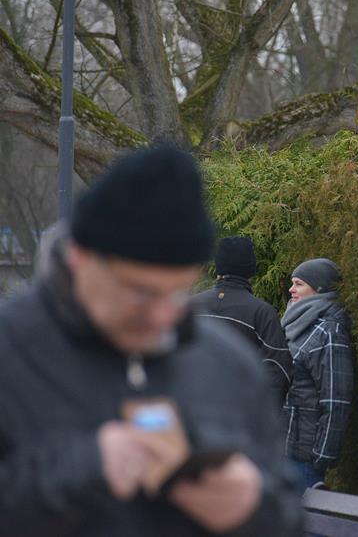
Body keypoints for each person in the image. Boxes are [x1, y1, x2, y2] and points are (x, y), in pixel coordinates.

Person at [0, 145, 302, 535]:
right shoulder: (12, 349)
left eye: (177, 292)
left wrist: (253, 509)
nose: (162, 316)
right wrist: (82, 469)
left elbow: (288, 515)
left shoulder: (228, 363)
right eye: (141, 292)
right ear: (80, 256)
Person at [192, 236, 294, 404]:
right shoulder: (261, 312)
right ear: (250, 269)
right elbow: (278, 369)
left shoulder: (190, 306)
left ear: (218, 267)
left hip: (190, 409)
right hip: (240, 410)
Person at [280, 258, 354, 489]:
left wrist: (321, 456)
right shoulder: (294, 324)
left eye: (299, 284)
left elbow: (336, 398)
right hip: (282, 449)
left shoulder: (329, 331)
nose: (291, 289)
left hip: (304, 458)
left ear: (319, 288)